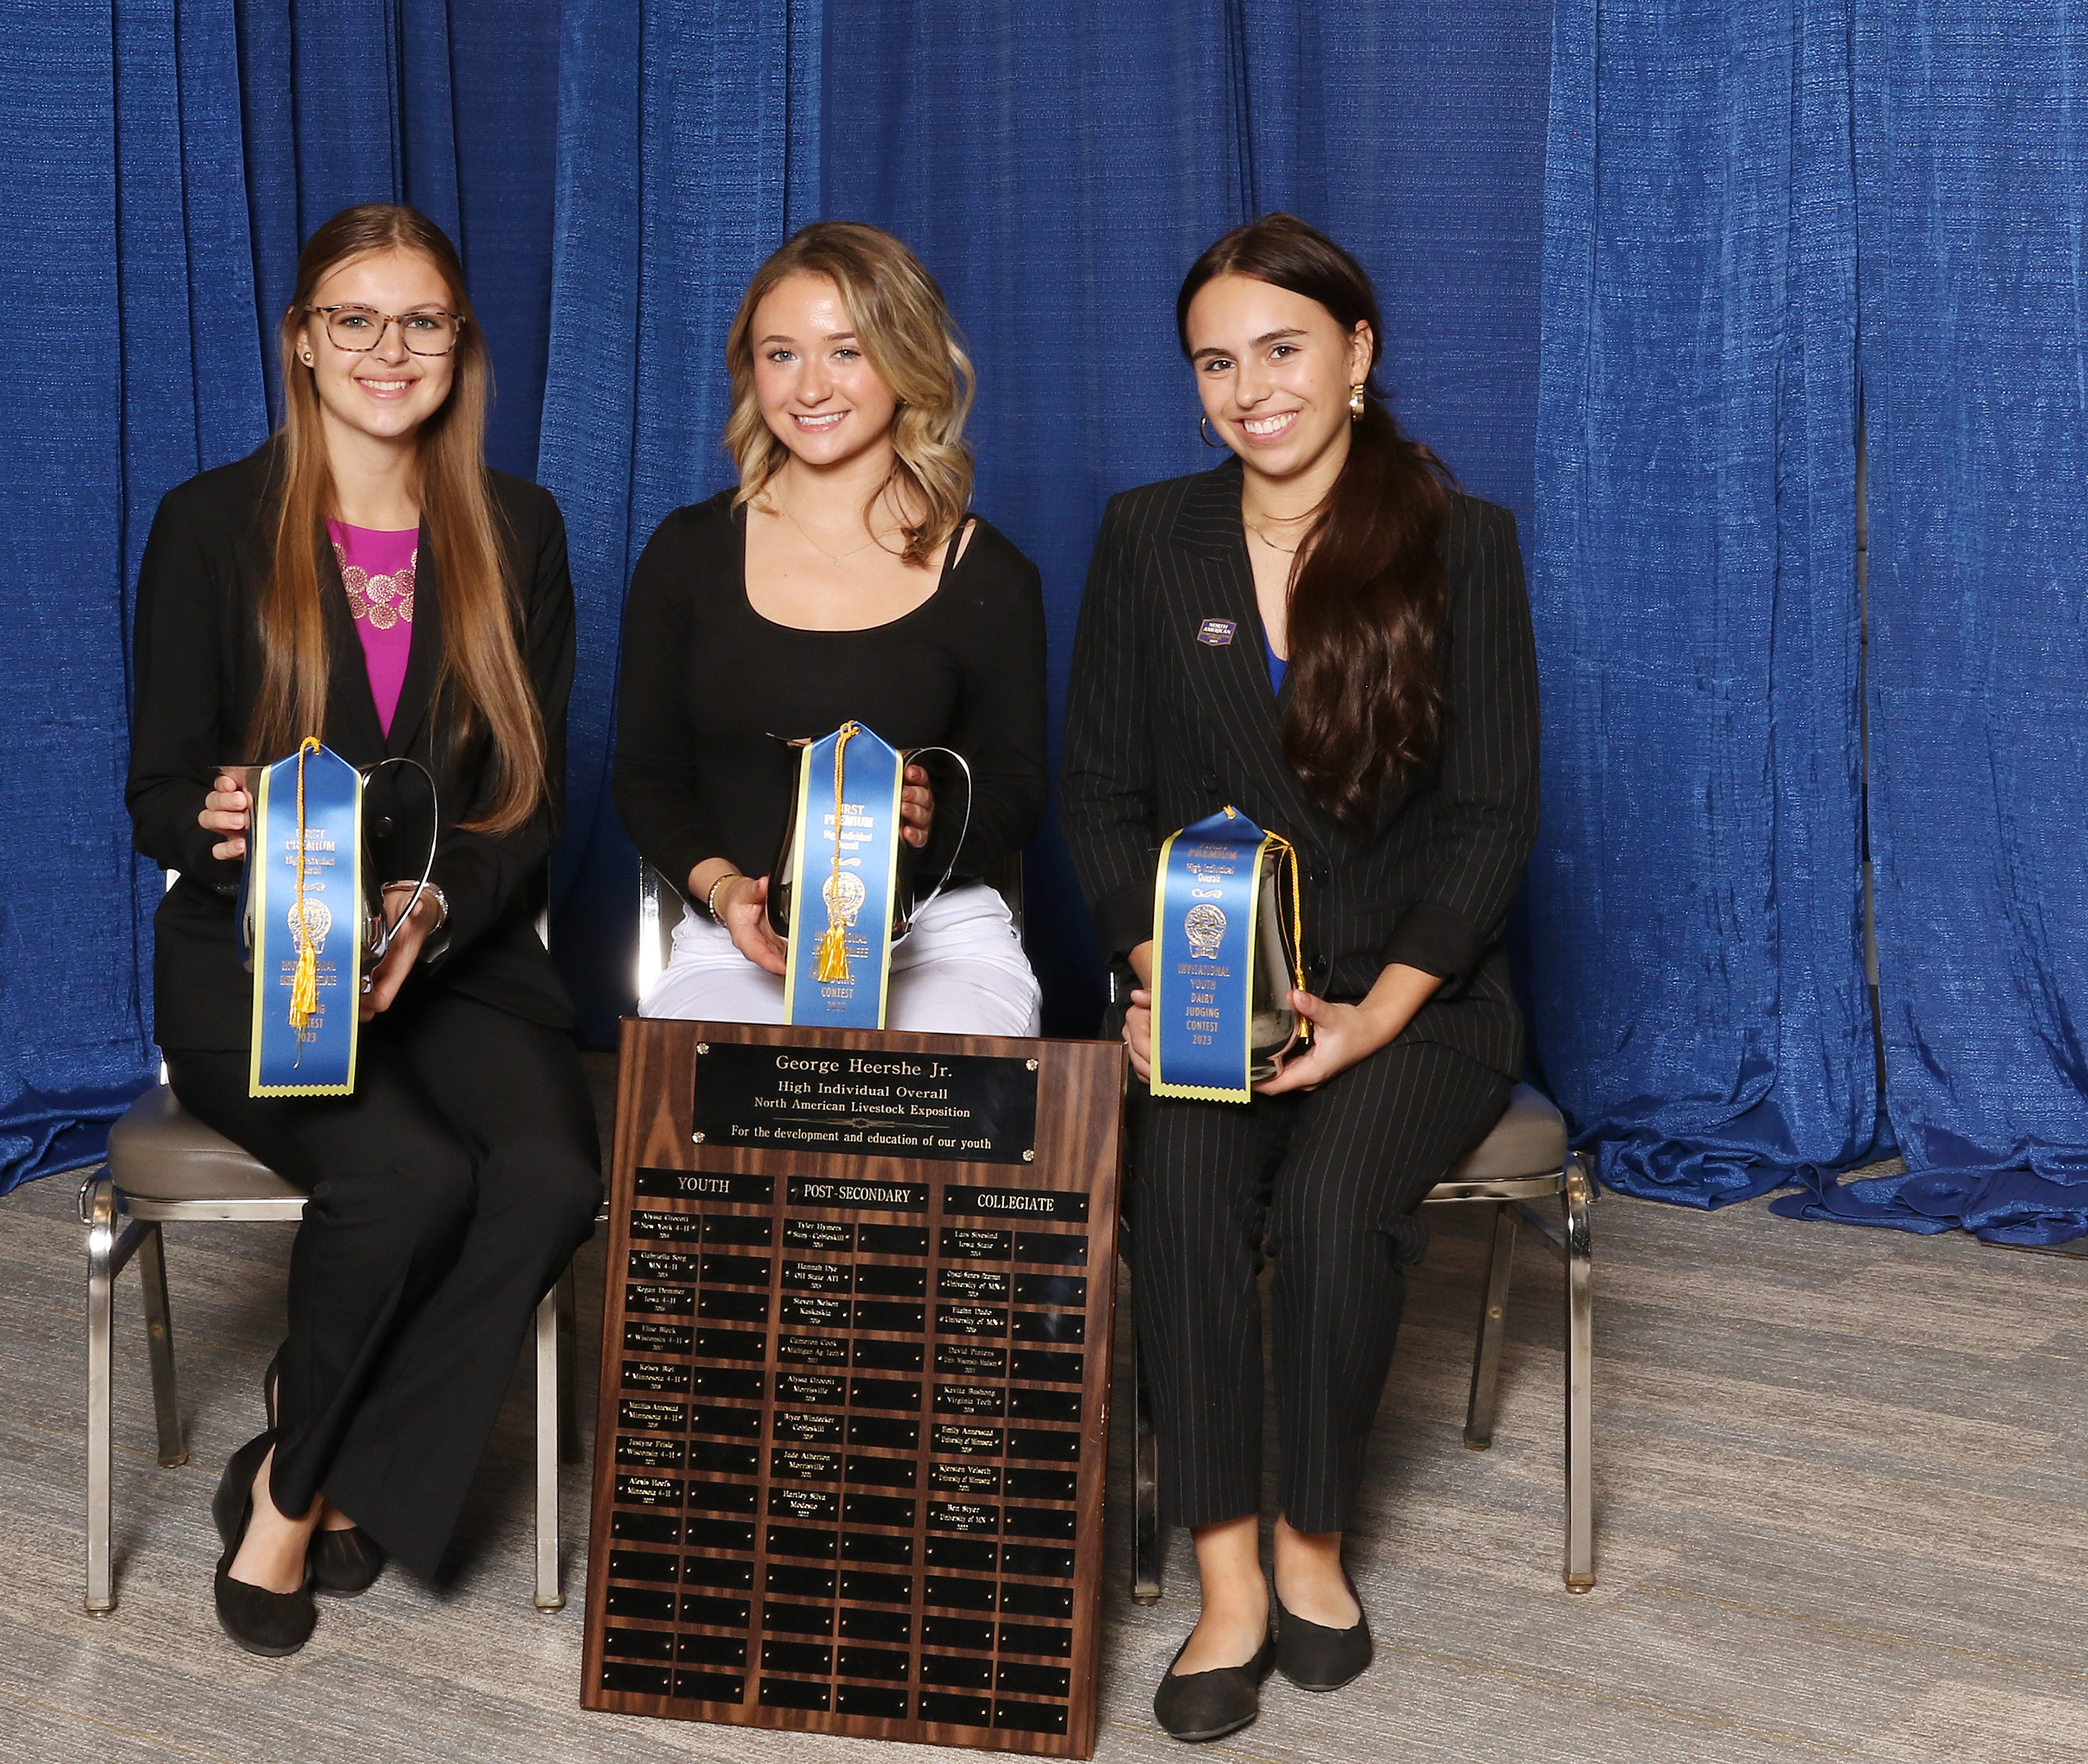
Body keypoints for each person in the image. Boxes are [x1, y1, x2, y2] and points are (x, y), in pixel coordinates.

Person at [1060, 214, 1539, 1744]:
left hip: (1417, 998)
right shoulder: (1149, 536)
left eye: (1282, 349)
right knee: (1185, 1194)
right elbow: (1099, 797)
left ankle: (1314, 1545)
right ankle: (1225, 1579)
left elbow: (1493, 815)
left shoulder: (1465, 545)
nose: (1248, 387)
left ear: (1358, 357)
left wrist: (1377, 1013)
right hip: (1210, 992)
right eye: (1216, 361)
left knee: (1336, 1210)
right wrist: (1158, 976)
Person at [126, 204, 600, 1658]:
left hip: (457, 955)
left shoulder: (519, 528)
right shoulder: (211, 524)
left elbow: (527, 804)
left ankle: (309, 1447)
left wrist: (432, 913)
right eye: (355, 319)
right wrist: (214, 823)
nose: (389, 351)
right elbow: (155, 791)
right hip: (254, 967)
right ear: (302, 342)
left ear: (461, 345)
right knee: (401, 1177)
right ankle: (295, 1501)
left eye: (423, 322)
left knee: (545, 1175)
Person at [613, 222, 1048, 1036]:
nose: (810, 387)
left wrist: (931, 828)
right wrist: (722, 892)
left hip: (937, 938)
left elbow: (1018, 791)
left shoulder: (992, 574)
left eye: (845, 352)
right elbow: (647, 774)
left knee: (931, 1113)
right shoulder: (688, 552)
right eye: (782, 355)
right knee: (720, 1110)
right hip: (735, 938)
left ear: (906, 359)